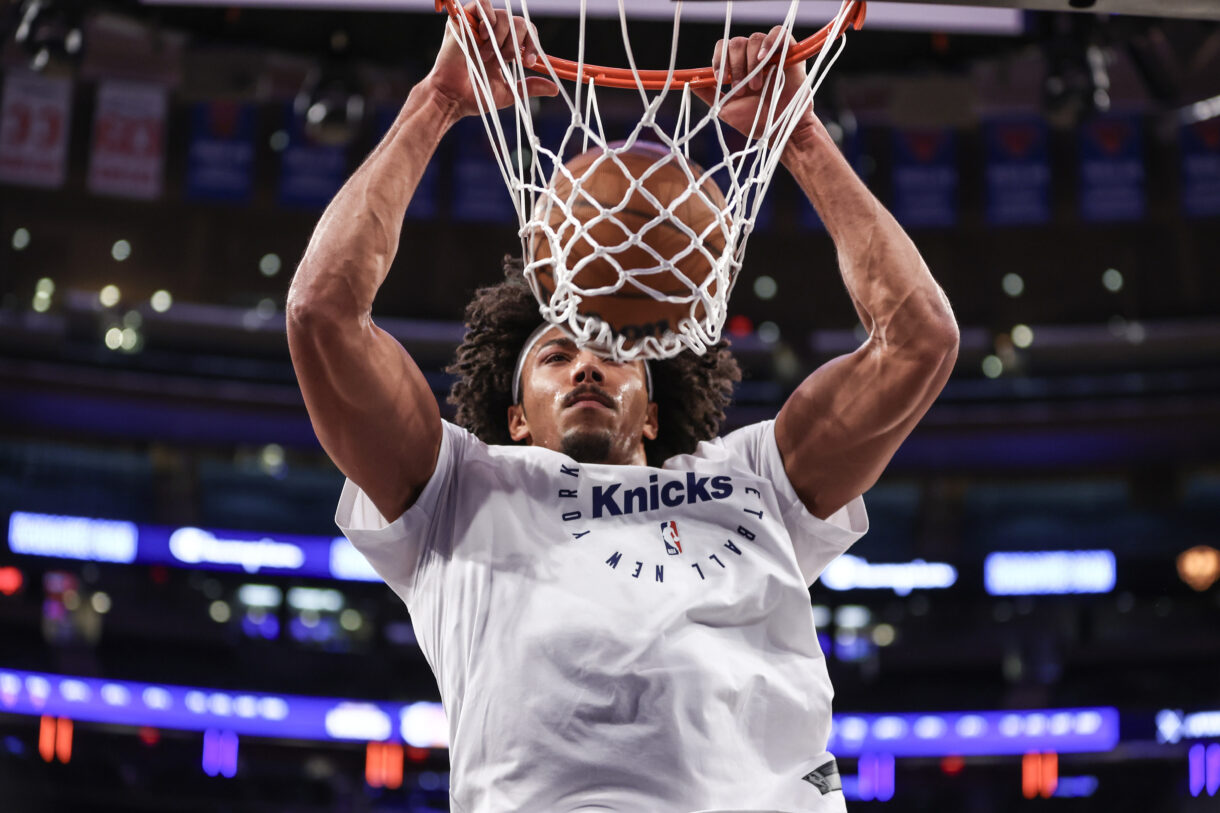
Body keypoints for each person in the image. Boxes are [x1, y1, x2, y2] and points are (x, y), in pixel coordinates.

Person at [286, 1, 959, 810]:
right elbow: (323, 312)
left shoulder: (754, 477)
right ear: (516, 419)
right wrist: (438, 103)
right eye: (556, 355)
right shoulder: (459, 491)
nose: (585, 368)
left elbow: (918, 340)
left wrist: (801, 138)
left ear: (650, 404)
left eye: (609, 353)